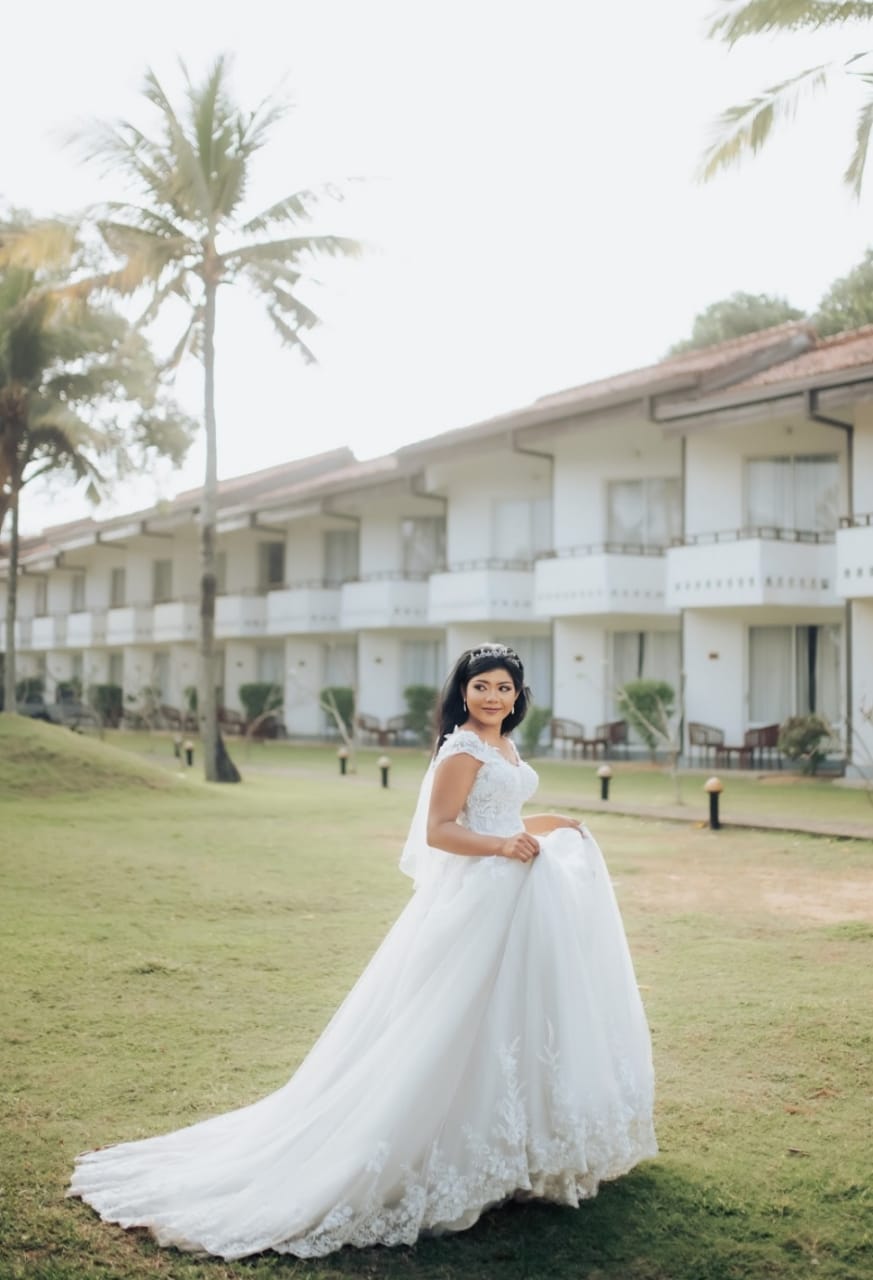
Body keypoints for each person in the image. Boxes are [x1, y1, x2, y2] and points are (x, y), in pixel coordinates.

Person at [68, 643, 656, 1259]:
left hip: (514, 897)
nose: (493, 698)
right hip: (480, 897)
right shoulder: (461, 747)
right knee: (451, 1022)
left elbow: (501, 813)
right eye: (482, 686)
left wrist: (546, 823)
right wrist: (505, 847)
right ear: (463, 692)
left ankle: (517, 1155)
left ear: (518, 696)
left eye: (504, 689)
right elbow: (443, 830)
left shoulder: (502, 744)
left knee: (516, 1019)